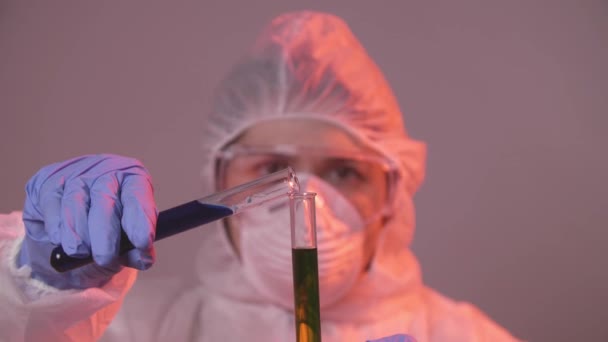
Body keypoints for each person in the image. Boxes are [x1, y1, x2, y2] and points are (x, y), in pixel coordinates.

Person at [0, 11, 521, 342]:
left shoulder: (469, 336)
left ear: (394, 193)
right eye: (273, 168)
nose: (310, 195)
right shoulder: (133, 330)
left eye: (344, 171)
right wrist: (37, 289)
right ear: (220, 173)